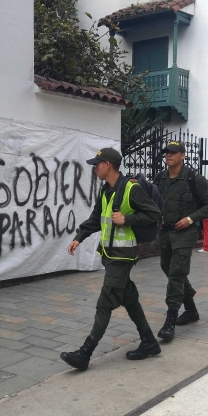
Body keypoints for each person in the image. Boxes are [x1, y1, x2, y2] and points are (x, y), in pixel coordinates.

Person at [62, 148, 162, 371]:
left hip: (122, 256)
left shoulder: (131, 188)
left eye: (97, 164)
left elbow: (154, 213)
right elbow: (97, 218)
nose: (94, 167)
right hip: (109, 254)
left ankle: (84, 353)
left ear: (108, 165)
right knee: (129, 298)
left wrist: (128, 218)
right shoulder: (106, 190)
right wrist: (79, 237)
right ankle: (149, 342)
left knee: (105, 302)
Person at [155, 141, 208, 341]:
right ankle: (191, 309)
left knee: (176, 273)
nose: (168, 155)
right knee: (169, 268)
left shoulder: (194, 178)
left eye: (173, 152)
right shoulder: (160, 178)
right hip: (165, 233)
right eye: (166, 152)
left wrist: (191, 219)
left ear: (182, 155)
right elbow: (150, 200)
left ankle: (170, 321)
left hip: (184, 233)